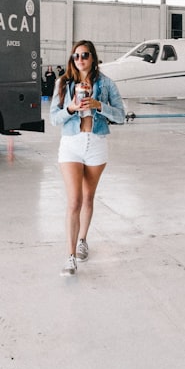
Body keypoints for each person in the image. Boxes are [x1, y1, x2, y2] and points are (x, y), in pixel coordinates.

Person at [49, 40, 125, 277]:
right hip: (71, 145)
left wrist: (99, 105)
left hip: (96, 144)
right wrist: (71, 108)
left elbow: (121, 116)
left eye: (84, 55)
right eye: (76, 56)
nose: (80, 59)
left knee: (88, 198)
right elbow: (53, 118)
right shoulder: (63, 83)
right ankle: (70, 257)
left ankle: (83, 240)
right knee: (74, 201)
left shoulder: (107, 84)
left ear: (93, 57)